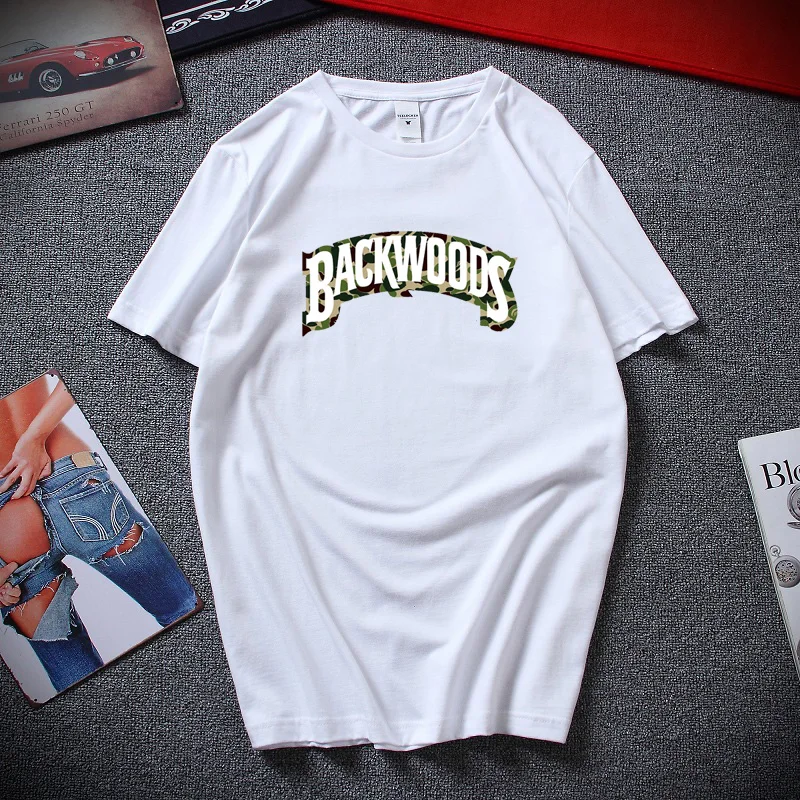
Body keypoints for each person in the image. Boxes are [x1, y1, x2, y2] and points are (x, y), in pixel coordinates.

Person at [0, 374, 198, 694]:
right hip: (70, 477)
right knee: (185, 609)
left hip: (8, 529)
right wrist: (35, 437)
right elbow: (78, 371)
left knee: (78, 681)